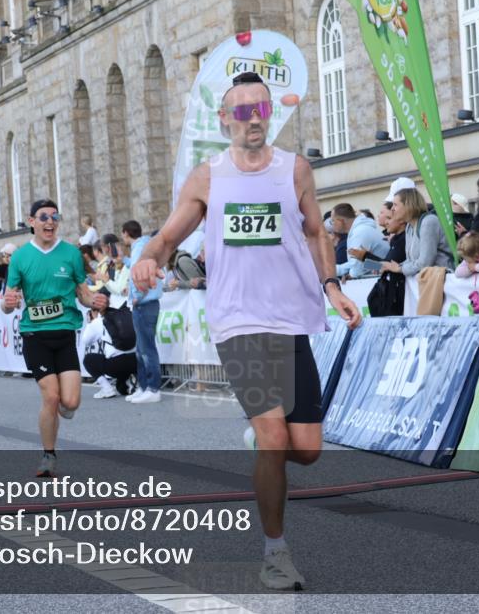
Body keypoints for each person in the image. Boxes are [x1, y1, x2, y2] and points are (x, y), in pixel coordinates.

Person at [131, 71, 362, 591]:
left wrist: (332, 287)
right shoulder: (208, 177)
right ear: (224, 119)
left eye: (260, 109)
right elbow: (169, 237)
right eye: (241, 110)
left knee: (306, 449)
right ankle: (275, 554)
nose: (252, 118)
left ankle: (263, 438)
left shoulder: (295, 169)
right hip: (238, 321)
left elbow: (314, 232)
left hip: (290, 320)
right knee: (275, 436)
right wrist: (148, 260)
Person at [2, 199, 107, 477]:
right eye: (44, 216)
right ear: (32, 222)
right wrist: (9, 302)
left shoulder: (71, 254)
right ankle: (48, 455)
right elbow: (7, 301)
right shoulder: (21, 258)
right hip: (35, 336)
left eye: (54, 216)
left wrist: (92, 300)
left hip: (64, 335)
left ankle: (63, 410)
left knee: (70, 402)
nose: (50, 221)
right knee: (51, 397)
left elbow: (82, 292)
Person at [122, 220, 164, 404]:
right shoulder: (143, 246)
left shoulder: (141, 247)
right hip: (145, 302)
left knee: (146, 348)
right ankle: (144, 386)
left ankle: (153, 388)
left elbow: (141, 273)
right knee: (141, 349)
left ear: (125, 233)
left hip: (144, 303)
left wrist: (136, 296)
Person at [381, 187, 454, 277]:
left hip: (442, 281)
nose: (392, 209)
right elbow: (411, 260)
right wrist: (395, 266)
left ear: (408, 205)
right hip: (429, 280)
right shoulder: (409, 226)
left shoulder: (428, 222)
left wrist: (399, 269)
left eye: (395, 205)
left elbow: (425, 263)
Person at [83, 301, 137, 399]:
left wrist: (91, 322)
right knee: (121, 388)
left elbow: (86, 341)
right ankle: (132, 384)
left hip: (116, 364)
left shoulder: (99, 320)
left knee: (88, 359)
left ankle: (107, 389)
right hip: (136, 361)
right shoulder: (127, 315)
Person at [332, 203, 389, 278]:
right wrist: (333, 270)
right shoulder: (359, 230)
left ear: (341, 221)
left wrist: (350, 273)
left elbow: (357, 269)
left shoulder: (360, 232)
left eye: (332, 221)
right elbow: (358, 264)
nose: (332, 224)